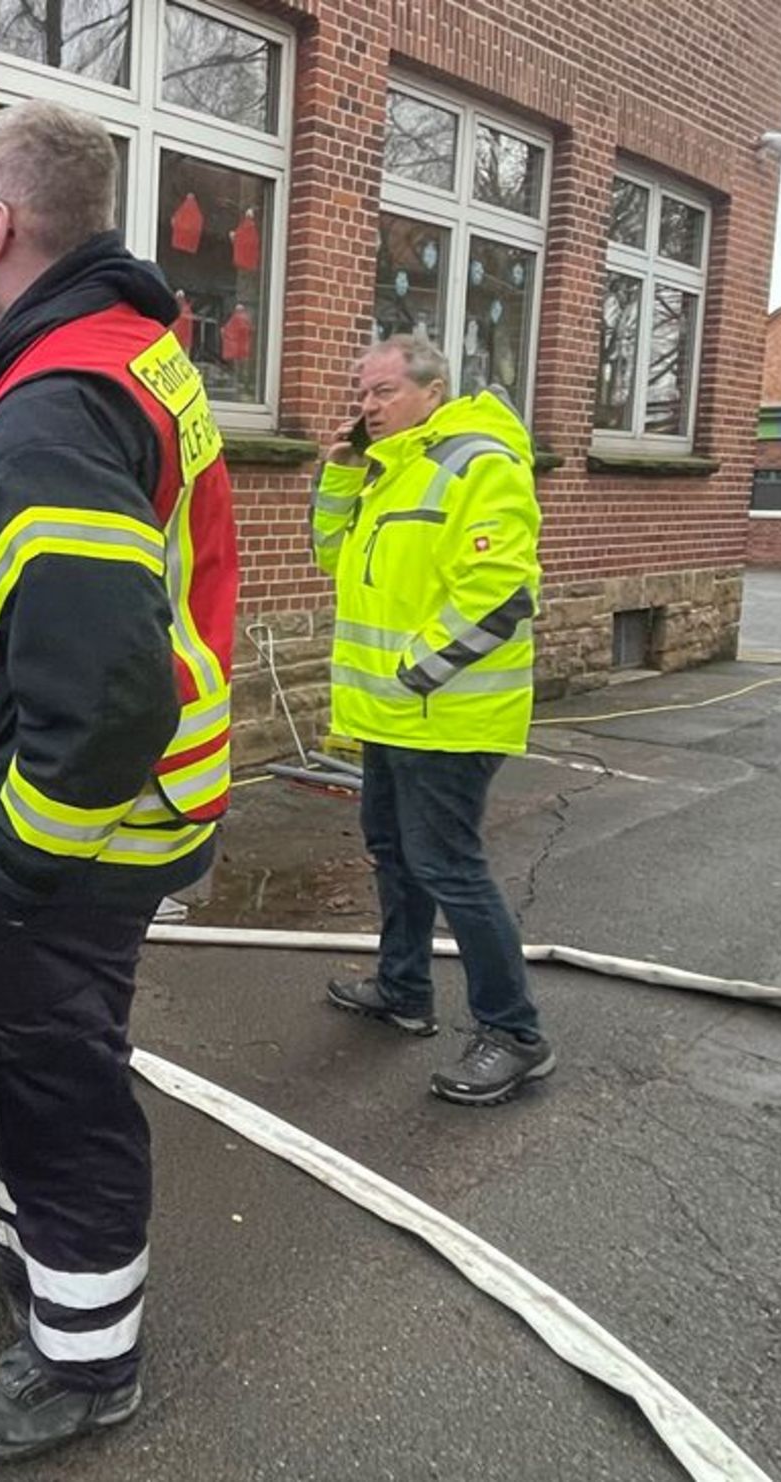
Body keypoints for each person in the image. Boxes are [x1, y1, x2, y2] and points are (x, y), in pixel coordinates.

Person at [0, 100, 239, 1463]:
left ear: (0, 224)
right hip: (115, 812)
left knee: (52, 1069)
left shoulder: (49, 414)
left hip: (79, 830)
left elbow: (103, 693)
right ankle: (34, 1245)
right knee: (39, 1047)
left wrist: (23, 856)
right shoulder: (129, 357)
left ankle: (86, 1358)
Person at [309, 335, 554, 1106]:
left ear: (433, 389)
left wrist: (413, 671)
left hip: (446, 714)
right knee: (392, 851)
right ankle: (404, 989)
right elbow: (330, 558)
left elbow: (501, 593)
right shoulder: (390, 470)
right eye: (361, 394)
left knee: (449, 866)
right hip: (392, 715)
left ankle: (515, 1033)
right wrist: (342, 474)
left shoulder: (479, 462)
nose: (367, 407)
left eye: (382, 392)